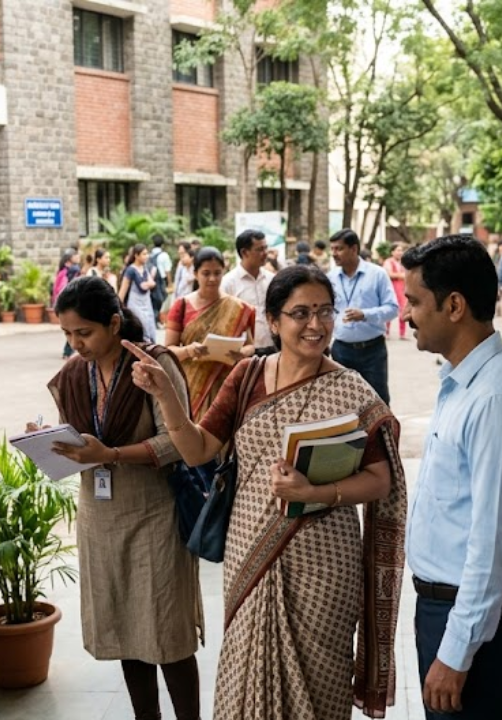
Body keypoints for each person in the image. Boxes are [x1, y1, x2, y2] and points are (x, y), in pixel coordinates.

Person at [125, 265, 406, 720]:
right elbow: (198, 450)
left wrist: (318, 491)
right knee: (246, 672)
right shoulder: (247, 376)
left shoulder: (351, 389)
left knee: (320, 684)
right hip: (250, 548)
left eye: (325, 311)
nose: (316, 324)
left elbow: (380, 480)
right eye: (301, 313)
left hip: (325, 562)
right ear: (273, 321)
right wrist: (166, 397)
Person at [34, 276, 203, 720]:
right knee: (126, 628)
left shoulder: (152, 365)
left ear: (113, 323)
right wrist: (50, 442)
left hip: (155, 514)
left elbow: (177, 442)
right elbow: (77, 439)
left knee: (168, 630)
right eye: (67, 334)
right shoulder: (74, 374)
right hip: (100, 518)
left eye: (84, 333)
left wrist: (109, 454)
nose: (76, 344)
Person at [402, 235, 502, 719]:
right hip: (448, 608)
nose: (407, 315)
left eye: (415, 302)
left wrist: (456, 652)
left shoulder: (495, 399)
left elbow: (493, 542)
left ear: (455, 306)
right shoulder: (464, 382)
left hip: (468, 619)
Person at [164, 247, 256, 419]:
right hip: (190, 386)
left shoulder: (237, 307)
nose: (212, 279)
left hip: (227, 386)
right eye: (206, 273)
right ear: (195, 273)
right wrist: (188, 350)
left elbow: (251, 345)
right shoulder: (181, 305)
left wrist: (242, 353)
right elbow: (168, 350)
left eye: (217, 273)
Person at [327, 228, 399, 404]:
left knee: (378, 401)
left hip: (372, 350)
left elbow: (392, 308)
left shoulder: (377, 274)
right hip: (341, 350)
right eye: (332, 249)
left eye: (339, 249)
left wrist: (365, 314)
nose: (334, 254)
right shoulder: (330, 278)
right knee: (344, 402)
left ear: (354, 249)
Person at [220, 230, 274, 349]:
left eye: (266, 248)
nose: (265, 253)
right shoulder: (228, 283)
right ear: (244, 252)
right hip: (243, 351)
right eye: (260, 249)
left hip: (272, 346)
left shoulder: (271, 279)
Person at [119, 244, 159, 342]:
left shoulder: (144, 268)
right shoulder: (130, 270)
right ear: (136, 255)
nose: (147, 256)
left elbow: (152, 283)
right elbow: (123, 290)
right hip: (135, 304)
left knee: (150, 326)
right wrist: (118, 306)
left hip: (146, 303)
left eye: (147, 254)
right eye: (144, 254)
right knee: (141, 327)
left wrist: (146, 284)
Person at [383, 242, 407, 340]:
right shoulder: (388, 262)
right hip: (391, 288)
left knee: (403, 309)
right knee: (389, 308)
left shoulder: (404, 262)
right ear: (392, 252)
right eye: (398, 250)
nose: (400, 252)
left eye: (401, 250)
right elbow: (388, 274)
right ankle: (386, 332)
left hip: (402, 288)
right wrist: (401, 275)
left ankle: (402, 333)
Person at [149, 237, 173, 326]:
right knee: (161, 300)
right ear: (162, 245)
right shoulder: (164, 255)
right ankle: (156, 320)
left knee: (153, 300)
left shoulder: (149, 255)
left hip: (150, 281)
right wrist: (170, 283)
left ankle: (154, 320)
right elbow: (167, 271)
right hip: (161, 281)